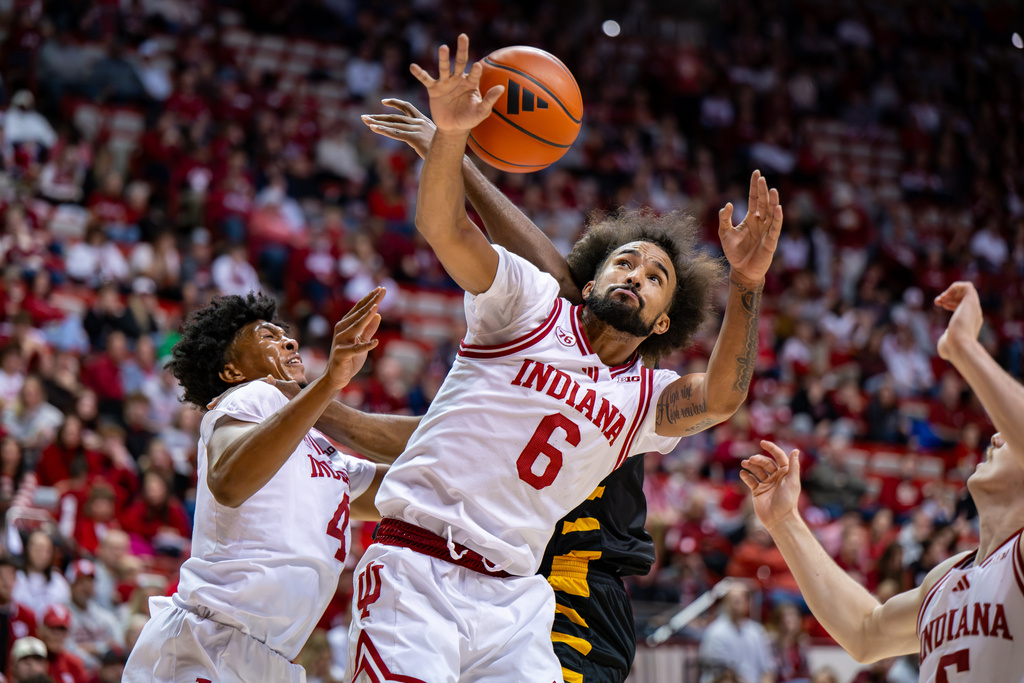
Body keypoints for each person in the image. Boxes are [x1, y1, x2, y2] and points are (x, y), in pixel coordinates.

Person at [348, 34, 782, 681]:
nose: (635, 273)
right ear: (590, 276)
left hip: (515, 594)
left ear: (665, 318)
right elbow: (447, 229)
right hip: (419, 565)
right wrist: (449, 139)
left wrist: (746, 284)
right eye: (623, 261)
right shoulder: (526, 306)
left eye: (655, 274)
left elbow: (721, 396)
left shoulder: (641, 400)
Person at [739, 281, 1024, 681]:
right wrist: (785, 522)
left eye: (1008, 436)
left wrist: (965, 348)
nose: (997, 436)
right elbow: (865, 633)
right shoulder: (945, 578)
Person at [122, 289, 405, 682]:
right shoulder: (252, 395)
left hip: (273, 660)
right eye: (267, 337)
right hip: (209, 642)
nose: (288, 340)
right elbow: (229, 482)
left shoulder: (322, 450)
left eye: (285, 333)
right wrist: (327, 385)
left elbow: (411, 485)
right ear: (233, 372)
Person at [698, 583, 777, 683]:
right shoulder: (715, 632)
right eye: (730, 601)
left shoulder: (757, 630)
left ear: (748, 603)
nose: (734, 605)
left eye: (738, 601)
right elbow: (723, 675)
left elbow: (768, 669)